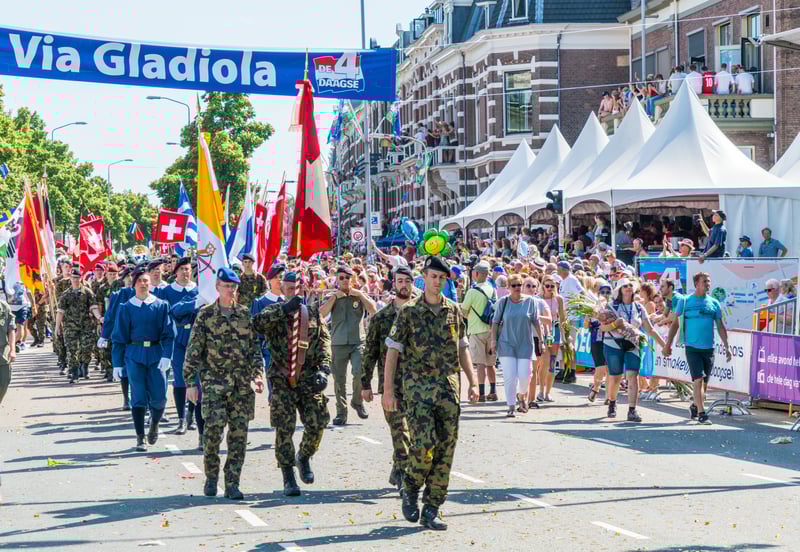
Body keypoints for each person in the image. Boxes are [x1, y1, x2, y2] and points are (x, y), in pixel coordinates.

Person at [383, 255, 479, 531]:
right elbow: (393, 351)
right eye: (433, 277)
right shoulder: (409, 312)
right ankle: (411, 485)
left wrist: (473, 382)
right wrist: (388, 390)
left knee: (446, 449)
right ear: (424, 277)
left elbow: (462, 348)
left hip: (448, 390)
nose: (437, 282)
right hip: (418, 391)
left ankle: (432, 507)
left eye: (442, 278)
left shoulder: (454, 311)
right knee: (424, 445)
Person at [184, 267, 264, 499]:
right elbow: (194, 350)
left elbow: (254, 349)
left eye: (233, 286)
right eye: (226, 286)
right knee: (212, 434)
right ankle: (211, 477)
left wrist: (258, 374)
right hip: (214, 385)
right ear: (217, 287)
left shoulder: (244, 314)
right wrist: (190, 383)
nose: (230, 290)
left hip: (241, 387)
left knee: (239, 437)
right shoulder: (206, 315)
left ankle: (232, 483)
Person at [252, 271, 330, 497]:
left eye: (296, 287)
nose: (292, 291)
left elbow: (323, 342)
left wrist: (324, 369)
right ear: (281, 288)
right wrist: (284, 309)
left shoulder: (312, 313)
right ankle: (288, 475)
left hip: (308, 378)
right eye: (288, 287)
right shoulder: (273, 311)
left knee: (318, 422)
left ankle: (304, 456)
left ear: (301, 288)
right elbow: (257, 324)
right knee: (284, 428)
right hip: (282, 378)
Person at [361, 266, 414, 494]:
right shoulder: (382, 318)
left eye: (407, 281)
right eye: (400, 281)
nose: (404, 285)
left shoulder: (420, 313)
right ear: (394, 284)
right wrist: (365, 384)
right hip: (391, 384)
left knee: (414, 433)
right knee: (399, 430)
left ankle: (398, 464)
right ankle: (403, 476)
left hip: (418, 384)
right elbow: (370, 351)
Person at [111, 266, 174, 452]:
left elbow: (168, 334)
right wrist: (117, 364)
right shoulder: (126, 307)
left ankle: (154, 423)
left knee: (159, 397)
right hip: (134, 354)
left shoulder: (161, 305)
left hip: (156, 354)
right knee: (138, 397)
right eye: (139, 281)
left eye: (146, 280)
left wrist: (167, 355)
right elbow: (119, 338)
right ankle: (140, 437)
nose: (143, 284)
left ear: (150, 283)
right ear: (133, 284)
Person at [663, 272, 731, 425]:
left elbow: (720, 326)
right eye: (704, 281)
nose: (708, 284)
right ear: (696, 284)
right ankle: (702, 414)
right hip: (692, 347)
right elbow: (675, 324)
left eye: (709, 281)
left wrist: (727, 347)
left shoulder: (714, 303)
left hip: (709, 348)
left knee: (704, 385)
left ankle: (695, 405)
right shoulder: (685, 301)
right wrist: (668, 344)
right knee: (698, 380)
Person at [600, 278, 666, 422]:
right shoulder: (611, 306)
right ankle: (612, 403)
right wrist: (614, 325)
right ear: (620, 290)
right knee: (615, 377)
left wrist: (664, 345)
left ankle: (632, 410)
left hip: (633, 344)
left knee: (633, 376)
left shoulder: (639, 307)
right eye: (625, 286)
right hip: (613, 344)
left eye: (630, 285)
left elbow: (650, 329)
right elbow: (602, 328)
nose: (628, 288)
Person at [319, 265, 376, 425]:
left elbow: (373, 309)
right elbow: (321, 314)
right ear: (337, 279)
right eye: (341, 277)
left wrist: (361, 295)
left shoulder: (359, 295)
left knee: (359, 373)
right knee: (339, 379)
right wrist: (334, 298)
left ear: (353, 279)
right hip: (338, 342)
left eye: (348, 277)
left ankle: (357, 402)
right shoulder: (332, 296)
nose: (345, 280)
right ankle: (341, 412)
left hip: (357, 341)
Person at [489, 274, 542, 417]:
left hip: (525, 344)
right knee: (510, 376)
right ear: (508, 287)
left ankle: (521, 395)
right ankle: (511, 405)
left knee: (526, 375)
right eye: (514, 285)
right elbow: (495, 322)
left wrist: (541, 340)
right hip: (506, 343)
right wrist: (493, 341)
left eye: (519, 285)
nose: (517, 288)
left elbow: (536, 321)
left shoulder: (531, 301)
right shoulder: (503, 302)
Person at [161, 257, 198, 434]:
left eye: (188, 269)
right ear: (176, 272)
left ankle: (191, 416)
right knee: (179, 378)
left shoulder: (198, 290)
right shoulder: (167, 291)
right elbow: (168, 313)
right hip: (177, 337)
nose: (185, 272)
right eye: (182, 269)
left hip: (195, 337)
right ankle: (181, 418)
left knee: (195, 378)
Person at [460, 261, 498, 402]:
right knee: (491, 364)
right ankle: (493, 391)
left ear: (476, 274)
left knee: (480, 364)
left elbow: (463, 311)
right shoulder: (492, 289)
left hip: (476, 330)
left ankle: (481, 393)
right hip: (491, 330)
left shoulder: (472, 291)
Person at [56, 268, 102, 384]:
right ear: (70, 279)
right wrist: (57, 327)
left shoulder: (87, 292)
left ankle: (84, 366)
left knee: (86, 348)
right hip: (70, 327)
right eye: (73, 278)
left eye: (77, 278)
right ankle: (74, 373)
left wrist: (99, 317)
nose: (75, 280)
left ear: (81, 278)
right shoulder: (66, 294)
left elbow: (93, 307)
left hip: (85, 326)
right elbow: (60, 312)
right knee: (72, 350)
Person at [251, 263, 287, 401]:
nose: (279, 280)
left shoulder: (290, 301)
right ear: (269, 280)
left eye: (282, 277)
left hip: (289, 352)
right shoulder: (260, 302)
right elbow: (256, 331)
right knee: (275, 392)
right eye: (276, 277)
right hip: (270, 352)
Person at [587, 282, 611, 403]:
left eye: (608, 292)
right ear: (598, 293)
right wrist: (589, 317)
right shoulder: (593, 308)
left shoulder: (613, 307)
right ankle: (596, 388)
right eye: (603, 292)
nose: (605, 294)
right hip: (596, 340)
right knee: (600, 368)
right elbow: (586, 325)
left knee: (609, 369)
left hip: (610, 340)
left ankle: (608, 396)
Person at [0, 295, 16, 406]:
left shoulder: (4, 307)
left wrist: (12, 349)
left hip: (3, 352)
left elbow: (11, 330)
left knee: (4, 381)